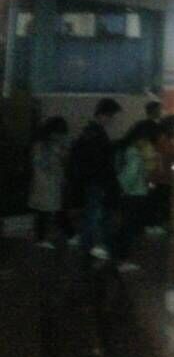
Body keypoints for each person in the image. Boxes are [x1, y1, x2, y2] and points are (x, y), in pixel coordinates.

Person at [69, 98, 123, 261]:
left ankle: (89, 246)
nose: (112, 120)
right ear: (103, 115)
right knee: (94, 214)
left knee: (93, 213)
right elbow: (99, 159)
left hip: (91, 179)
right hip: (96, 180)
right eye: (111, 116)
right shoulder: (96, 133)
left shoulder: (90, 132)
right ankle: (90, 246)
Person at [114, 120, 159, 272]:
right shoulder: (134, 154)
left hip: (128, 195)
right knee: (128, 229)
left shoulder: (125, 149)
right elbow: (130, 176)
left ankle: (119, 257)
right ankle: (122, 260)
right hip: (134, 195)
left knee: (125, 228)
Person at [29, 117, 70, 248]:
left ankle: (43, 237)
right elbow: (45, 164)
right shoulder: (47, 146)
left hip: (45, 183)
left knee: (46, 211)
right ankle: (44, 238)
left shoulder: (42, 144)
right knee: (50, 210)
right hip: (48, 183)